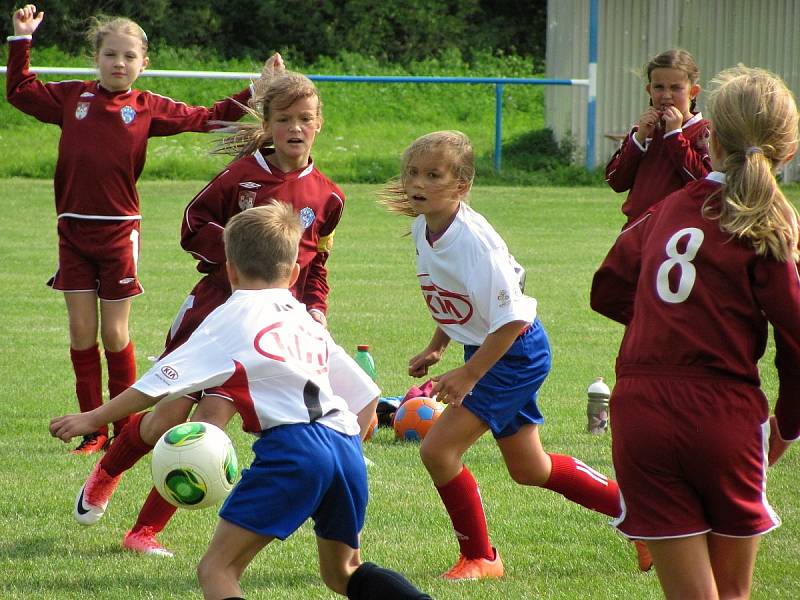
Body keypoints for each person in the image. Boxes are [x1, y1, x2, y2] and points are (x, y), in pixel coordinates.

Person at [51, 203, 432, 600]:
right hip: (346, 448)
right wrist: (346, 449)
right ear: (295, 272)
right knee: (343, 571)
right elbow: (367, 394)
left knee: (217, 569)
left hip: (295, 451)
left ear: (230, 269)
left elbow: (158, 385)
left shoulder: (228, 318)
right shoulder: (302, 318)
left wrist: (92, 417)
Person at [68, 68, 347, 557]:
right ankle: (108, 471)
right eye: (284, 119)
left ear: (319, 123)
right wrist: (240, 259)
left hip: (271, 326)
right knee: (164, 421)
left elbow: (318, 261)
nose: (296, 128)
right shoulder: (241, 178)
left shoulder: (329, 196)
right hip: (216, 309)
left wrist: (316, 307)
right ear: (268, 123)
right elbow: (191, 224)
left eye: (306, 118)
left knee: (208, 425)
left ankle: (144, 532)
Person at [6, 5, 273, 454]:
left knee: (114, 334)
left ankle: (126, 426)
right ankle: (91, 432)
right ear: (96, 57)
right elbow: (19, 91)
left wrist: (256, 88)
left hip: (118, 233)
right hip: (72, 231)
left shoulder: (146, 107)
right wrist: (21, 39)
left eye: (129, 56)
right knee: (80, 331)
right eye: (111, 54)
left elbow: (207, 116)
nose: (119, 63)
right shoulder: (73, 98)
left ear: (142, 63)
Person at [380, 130, 643, 580]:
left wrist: (471, 373)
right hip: (488, 348)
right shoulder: (426, 225)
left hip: (512, 352)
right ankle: (642, 517)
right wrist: (438, 346)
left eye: (432, 174)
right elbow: (457, 298)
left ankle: (482, 558)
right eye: (412, 172)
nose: (416, 182)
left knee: (437, 451)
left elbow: (513, 319)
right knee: (529, 468)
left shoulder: (475, 243)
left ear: (461, 186)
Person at [590, 66, 800, 599]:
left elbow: (608, 289)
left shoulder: (665, 210)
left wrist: (668, 327)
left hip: (639, 409)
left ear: (710, 135)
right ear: (788, 150)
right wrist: (789, 424)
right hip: (721, 411)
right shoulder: (768, 222)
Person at [605, 49, 712, 227]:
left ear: (693, 92)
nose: (666, 95)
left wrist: (674, 136)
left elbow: (705, 184)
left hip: (676, 235)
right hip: (637, 230)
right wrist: (638, 139)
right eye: (659, 87)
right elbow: (616, 181)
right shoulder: (643, 131)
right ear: (649, 90)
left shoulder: (704, 132)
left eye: (676, 88)